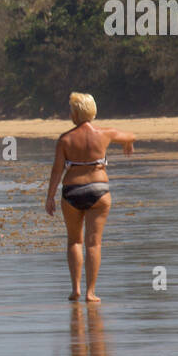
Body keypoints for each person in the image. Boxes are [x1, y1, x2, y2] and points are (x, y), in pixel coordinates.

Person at [44, 92, 136, 302]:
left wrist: (49, 197)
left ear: (76, 114)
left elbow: (57, 171)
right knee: (94, 244)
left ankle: (76, 289)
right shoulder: (105, 134)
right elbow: (131, 135)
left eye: (71, 110)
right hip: (98, 190)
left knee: (74, 241)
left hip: (72, 191)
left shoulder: (65, 139)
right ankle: (90, 292)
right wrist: (127, 144)